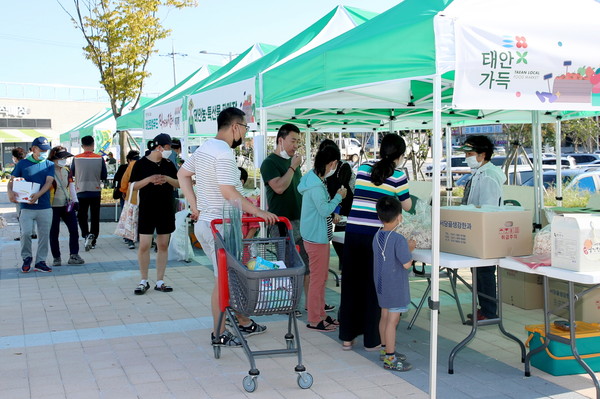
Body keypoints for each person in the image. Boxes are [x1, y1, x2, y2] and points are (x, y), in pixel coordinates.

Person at [178, 107, 278, 347]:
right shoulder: (222, 152)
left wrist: (195, 206)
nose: (244, 133)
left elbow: (182, 174)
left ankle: (239, 321)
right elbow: (228, 192)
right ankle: (219, 333)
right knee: (222, 281)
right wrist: (258, 212)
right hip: (218, 226)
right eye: (244, 128)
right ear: (235, 127)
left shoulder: (204, 148)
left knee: (226, 279)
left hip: (208, 223)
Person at [338, 133, 412, 351]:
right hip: (376, 237)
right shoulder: (398, 175)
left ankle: (347, 338)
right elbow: (407, 206)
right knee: (374, 286)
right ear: (400, 155)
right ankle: (372, 340)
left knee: (351, 284)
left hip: (353, 233)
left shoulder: (363, 168)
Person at [260, 124, 335, 315]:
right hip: (282, 223)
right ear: (280, 140)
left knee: (309, 266)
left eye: (298, 141)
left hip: (303, 221)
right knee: (288, 265)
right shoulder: (270, 163)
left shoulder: (295, 164)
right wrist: (293, 167)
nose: (296, 145)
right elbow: (279, 187)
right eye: (293, 140)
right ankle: (289, 305)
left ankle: (313, 304)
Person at [298, 144, 346, 332]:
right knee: (318, 279)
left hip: (316, 235)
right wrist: (338, 198)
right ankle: (314, 318)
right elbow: (324, 208)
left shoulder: (312, 179)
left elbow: (320, 210)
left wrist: (331, 212)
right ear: (332, 163)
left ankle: (320, 314)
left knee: (321, 277)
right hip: (316, 239)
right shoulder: (316, 186)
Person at [459, 135, 506, 324]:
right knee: (478, 272)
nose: (467, 157)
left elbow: (488, 207)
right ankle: (484, 308)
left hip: (485, 230)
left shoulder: (489, 176)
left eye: (470, 153)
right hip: (477, 229)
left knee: (485, 273)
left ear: (483, 154)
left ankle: (489, 311)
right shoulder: (479, 173)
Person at [129, 133, 180, 295]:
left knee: (163, 244)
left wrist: (166, 178)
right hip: (147, 208)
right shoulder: (140, 164)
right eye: (167, 147)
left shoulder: (169, 164)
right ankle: (143, 280)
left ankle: (160, 280)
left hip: (166, 207)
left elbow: (179, 182)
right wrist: (150, 179)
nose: (169, 150)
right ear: (159, 147)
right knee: (144, 244)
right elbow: (133, 185)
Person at [373, 196, 414, 371]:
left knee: (384, 317)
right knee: (393, 322)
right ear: (399, 217)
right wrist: (409, 248)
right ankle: (390, 358)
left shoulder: (377, 235)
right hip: (395, 286)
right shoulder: (398, 239)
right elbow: (406, 264)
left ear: (379, 217)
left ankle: (385, 349)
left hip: (381, 285)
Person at [7, 136, 55, 273]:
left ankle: (41, 261)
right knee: (26, 233)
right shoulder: (22, 164)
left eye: (47, 150)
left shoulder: (49, 164)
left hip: (45, 206)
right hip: (26, 207)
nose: (45, 152)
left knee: (44, 235)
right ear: (34, 149)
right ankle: (26, 258)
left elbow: (49, 182)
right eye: (42, 150)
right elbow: (12, 180)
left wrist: (38, 195)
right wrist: (10, 192)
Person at [319, 139, 355, 270]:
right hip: (333, 207)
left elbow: (342, 192)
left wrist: (337, 211)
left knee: (340, 238)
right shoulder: (323, 169)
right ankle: (345, 264)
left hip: (347, 207)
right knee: (336, 239)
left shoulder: (343, 167)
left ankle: (346, 266)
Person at [48, 146, 85, 266]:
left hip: (67, 204)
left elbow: (71, 186)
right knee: (54, 232)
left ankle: (74, 255)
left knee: (74, 230)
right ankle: (56, 257)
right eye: (61, 157)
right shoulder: (47, 170)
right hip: (52, 205)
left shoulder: (67, 170)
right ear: (53, 158)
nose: (63, 159)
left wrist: (75, 201)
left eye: (65, 157)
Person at [71, 135, 107, 251]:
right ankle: (94, 239)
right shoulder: (99, 158)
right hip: (95, 190)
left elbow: (71, 173)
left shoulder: (76, 158)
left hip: (80, 190)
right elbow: (104, 176)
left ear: (82, 146)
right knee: (95, 216)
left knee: (82, 215)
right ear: (93, 145)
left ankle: (86, 235)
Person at [114, 150, 139, 249]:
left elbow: (123, 181)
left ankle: (129, 239)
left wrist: (123, 191)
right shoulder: (145, 164)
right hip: (143, 196)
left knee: (129, 218)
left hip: (130, 196)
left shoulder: (130, 165)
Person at [238, 167, 260, 239]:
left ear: (241, 182)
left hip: (244, 246)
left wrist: (245, 244)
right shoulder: (225, 202)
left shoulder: (248, 203)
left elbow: (254, 226)